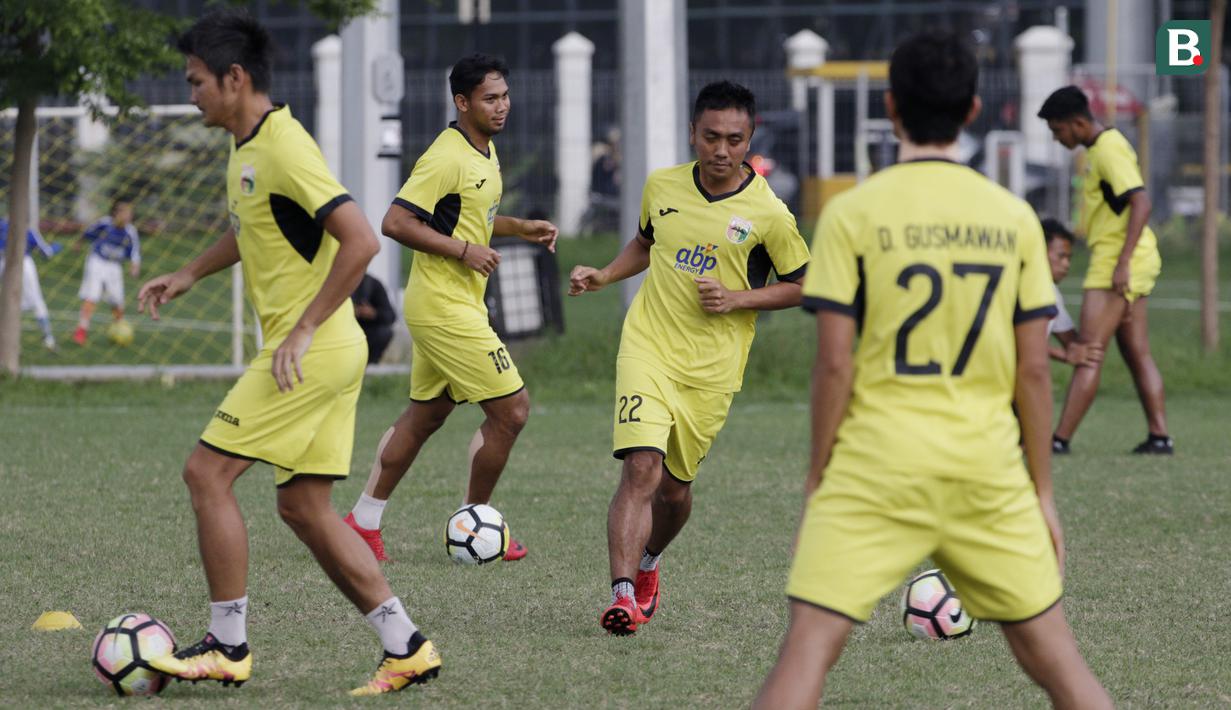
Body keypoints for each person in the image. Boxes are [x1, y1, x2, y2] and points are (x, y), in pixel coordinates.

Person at [753, 33, 1112, 709]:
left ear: (890, 108)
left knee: (804, 658)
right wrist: (1041, 492)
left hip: (874, 465)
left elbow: (833, 364)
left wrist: (814, 481)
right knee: (1060, 667)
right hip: (984, 469)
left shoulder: (850, 213)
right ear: (973, 109)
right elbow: (1033, 373)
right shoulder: (1011, 219)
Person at [136, 11, 438, 696]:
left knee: (206, 474)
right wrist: (190, 271)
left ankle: (226, 644)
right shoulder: (245, 147)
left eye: (197, 83)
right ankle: (407, 646)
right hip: (324, 352)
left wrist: (301, 329)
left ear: (235, 79)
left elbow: (361, 240)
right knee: (304, 506)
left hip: (309, 350)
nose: (192, 96)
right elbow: (257, 227)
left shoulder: (283, 146)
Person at [569, 81, 811, 636]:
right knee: (640, 468)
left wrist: (739, 299)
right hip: (648, 345)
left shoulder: (769, 214)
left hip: (712, 369)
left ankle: (650, 563)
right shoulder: (662, 186)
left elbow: (804, 286)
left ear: (750, 138)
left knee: (675, 492)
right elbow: (646, 242)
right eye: (710, 137)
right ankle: (623, 596)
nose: (721, 150)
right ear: (693, 133)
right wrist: (605, 275)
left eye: (733, 139)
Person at [344, 53, 558, 564]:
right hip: (443, 307)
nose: (502, 106)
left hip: (456, 302)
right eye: (490, 99)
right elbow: (396, 222)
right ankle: (476, 524)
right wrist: (465, 251)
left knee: (427, 415)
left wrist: (518, 226)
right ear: (462, 103)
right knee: (512, 410)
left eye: (504, 96)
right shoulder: (447, 155)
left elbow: (465, 215)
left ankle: (361, 521)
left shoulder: (482, 150)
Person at [1038, 85, 1172, 455]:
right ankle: (1160, 436)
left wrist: (1124, 262)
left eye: (1058, 130)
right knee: (1135, 351)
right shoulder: (1098, 150)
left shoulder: (1109, 148)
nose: (1056, 137)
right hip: (1122, 259)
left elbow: (1141, 202)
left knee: (1088, 350)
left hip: (1117, 261)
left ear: (1078, 123)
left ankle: (1059, 441)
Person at [73, 200, 140, 345]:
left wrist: (134, 266)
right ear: (116, 213)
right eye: (125, 213)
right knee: (92, 297)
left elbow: (135, 252)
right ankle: (81, 331)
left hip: (114, 267)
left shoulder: (130, 231)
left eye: (129, 213)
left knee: (117, 301)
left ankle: (119, 329)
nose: (128, 216)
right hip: (97, 261)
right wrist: (78, 243)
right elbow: (87, 233)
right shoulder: (104, 223)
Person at [1040, 218, 1102, 367]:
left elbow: (1072, 342)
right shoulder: (1019, 287)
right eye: (1061, 256)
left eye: (1069, 258)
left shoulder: (1051, 292)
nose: (1066, 264)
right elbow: (1016, 341)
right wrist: (1064, 355)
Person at [0, 216, 59, 349]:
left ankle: (8, 340)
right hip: (23, 263)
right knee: (37, 301)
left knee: (10, 300)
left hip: (2, 263)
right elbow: (46, 253)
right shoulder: (27, 230)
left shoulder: (2, 225)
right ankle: (48, 337)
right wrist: (56, 246)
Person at [352, 273, 396, 364]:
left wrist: (373, 313)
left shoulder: (372, 284)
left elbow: (391, 316)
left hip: (368, 331)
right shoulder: (341, 283)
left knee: (385, 332)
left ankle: (371, 363)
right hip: (347, 330)